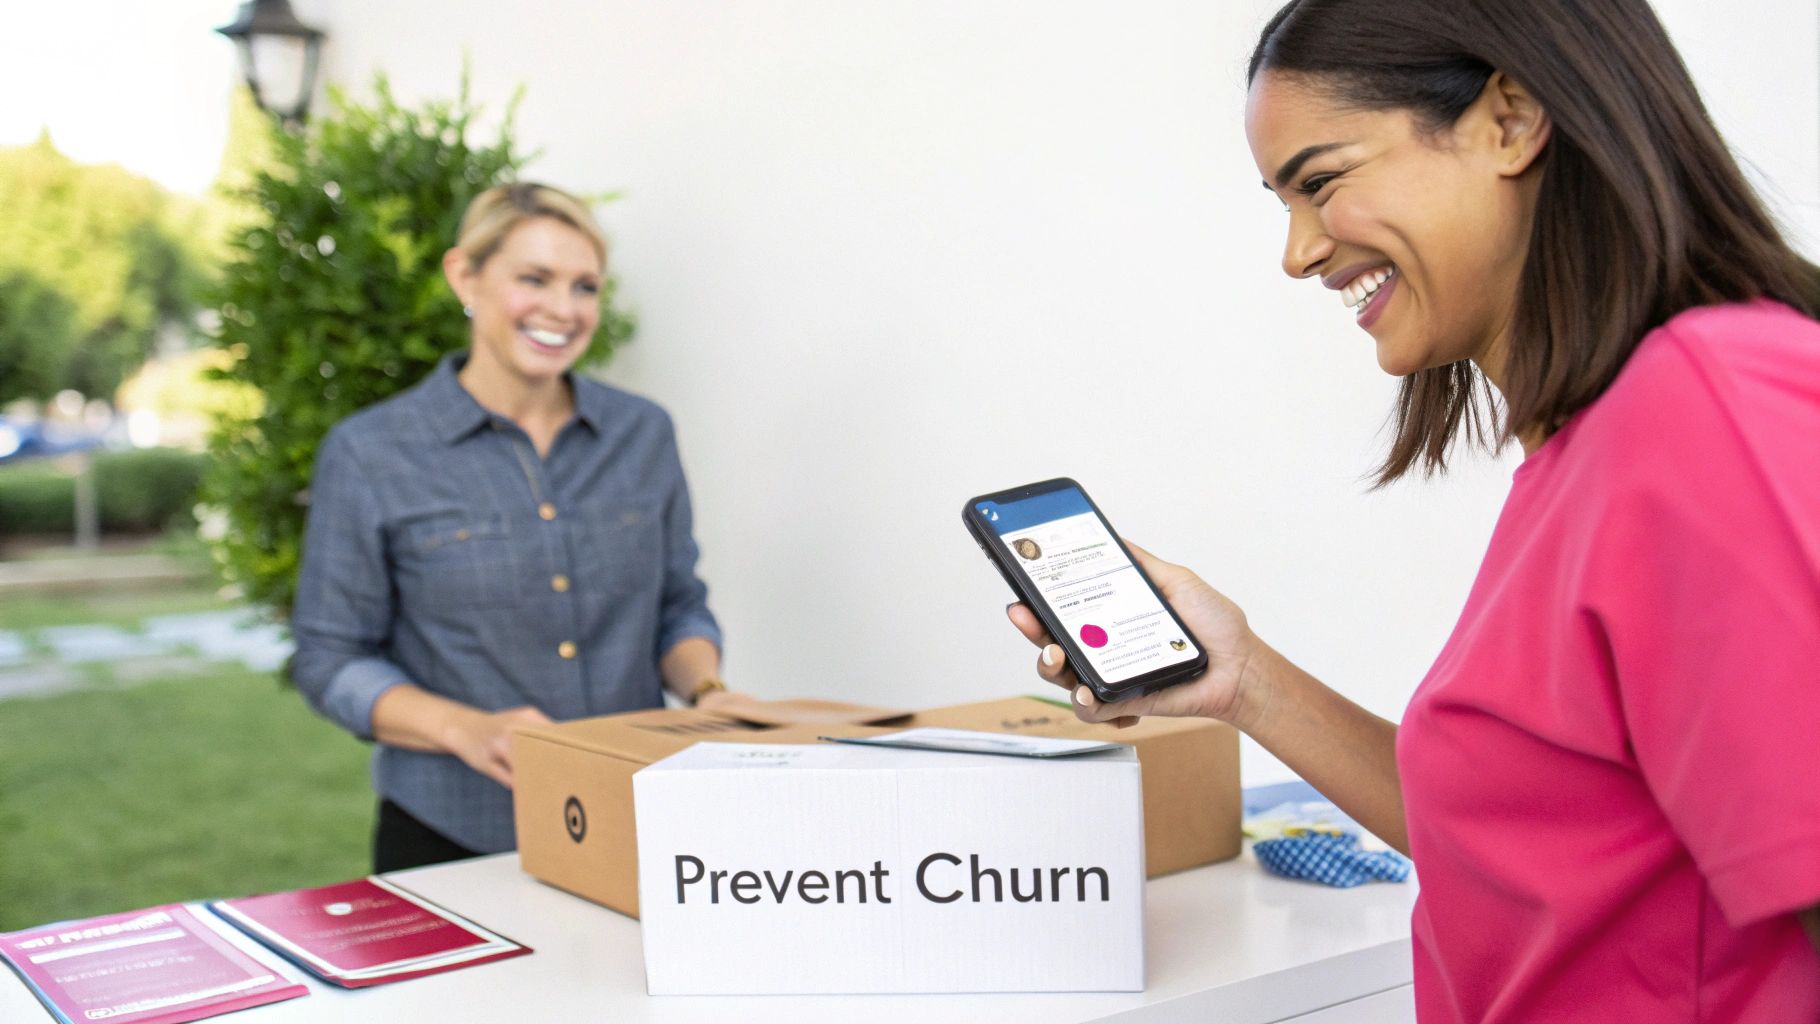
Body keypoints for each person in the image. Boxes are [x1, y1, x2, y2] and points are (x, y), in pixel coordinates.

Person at [1007, 1, 1820, 1020]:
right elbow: (1527, 848)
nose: (1297, 251)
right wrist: (1244, 680)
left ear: (1511, 119)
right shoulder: (1587, 452)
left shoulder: (1707, 406)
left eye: (1319, 182)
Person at [292, 182, 742, 872]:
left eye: (585, 286)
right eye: (534, 279)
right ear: (463, 276)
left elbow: (677, 605)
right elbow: (330, 659)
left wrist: (710, 694)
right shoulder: (370, 452)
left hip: (638, 818)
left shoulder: (643, 434)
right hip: (451, 840)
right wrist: (466, 729)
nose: (563, 309)